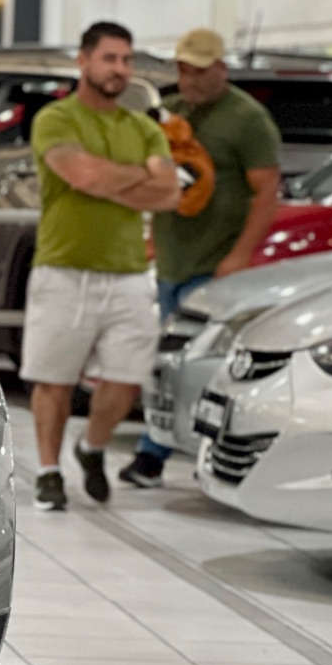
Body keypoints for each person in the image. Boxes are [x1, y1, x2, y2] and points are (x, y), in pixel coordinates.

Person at [23, 22, 181, 511]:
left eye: (126, 60)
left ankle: (91, 447)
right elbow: (82, 175)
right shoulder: (56, 119)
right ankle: (49, 472)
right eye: (110, 58)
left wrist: (108, 180)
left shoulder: (144, 128)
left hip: (130, 272)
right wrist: (138, 177)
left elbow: (170, 192)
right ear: (84, 61)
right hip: (63, 268)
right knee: (54, 378)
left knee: (128, 378)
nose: (120, 69)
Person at [120, 28, 282, 487]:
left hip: (214, 266)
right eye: (183, 70)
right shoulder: (171, 112)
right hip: (171, 264)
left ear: (221, 68)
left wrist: (240, 255)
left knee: (206, 366)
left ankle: (163, 454)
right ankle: (158, 449)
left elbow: (267, 192)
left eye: (199, 71)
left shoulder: (247, 119)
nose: (189, 80)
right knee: (167, 365)